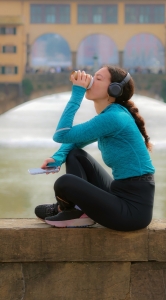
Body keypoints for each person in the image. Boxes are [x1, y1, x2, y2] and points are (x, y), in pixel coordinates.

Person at [35, 65, 155, 231]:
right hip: (119, 193)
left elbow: (61, 134)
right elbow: (74, 142)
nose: (90, 80)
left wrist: (77, 93)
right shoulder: (111, 114)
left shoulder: (114, 117)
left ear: (114, 89)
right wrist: (58, 157)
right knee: (75, 155)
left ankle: (73, 210)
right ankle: (74, 209)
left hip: (133, 212)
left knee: (64, 182)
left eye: (98, 79)